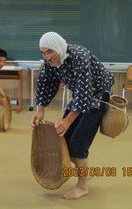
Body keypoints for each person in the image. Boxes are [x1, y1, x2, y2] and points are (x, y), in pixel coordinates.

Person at [31, 32, 114, 199]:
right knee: (65, 138)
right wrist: (40, 111)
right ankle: (86, 172)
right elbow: (45, 83)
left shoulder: (79, 55)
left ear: (59, 48)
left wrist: (68, 120)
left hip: (98, 94)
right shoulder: (51, 62)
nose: (47, 56)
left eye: (49, 51)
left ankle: (82, 186)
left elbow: (85, 92)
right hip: (80, 94)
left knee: (77, 143)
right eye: (43, 53)